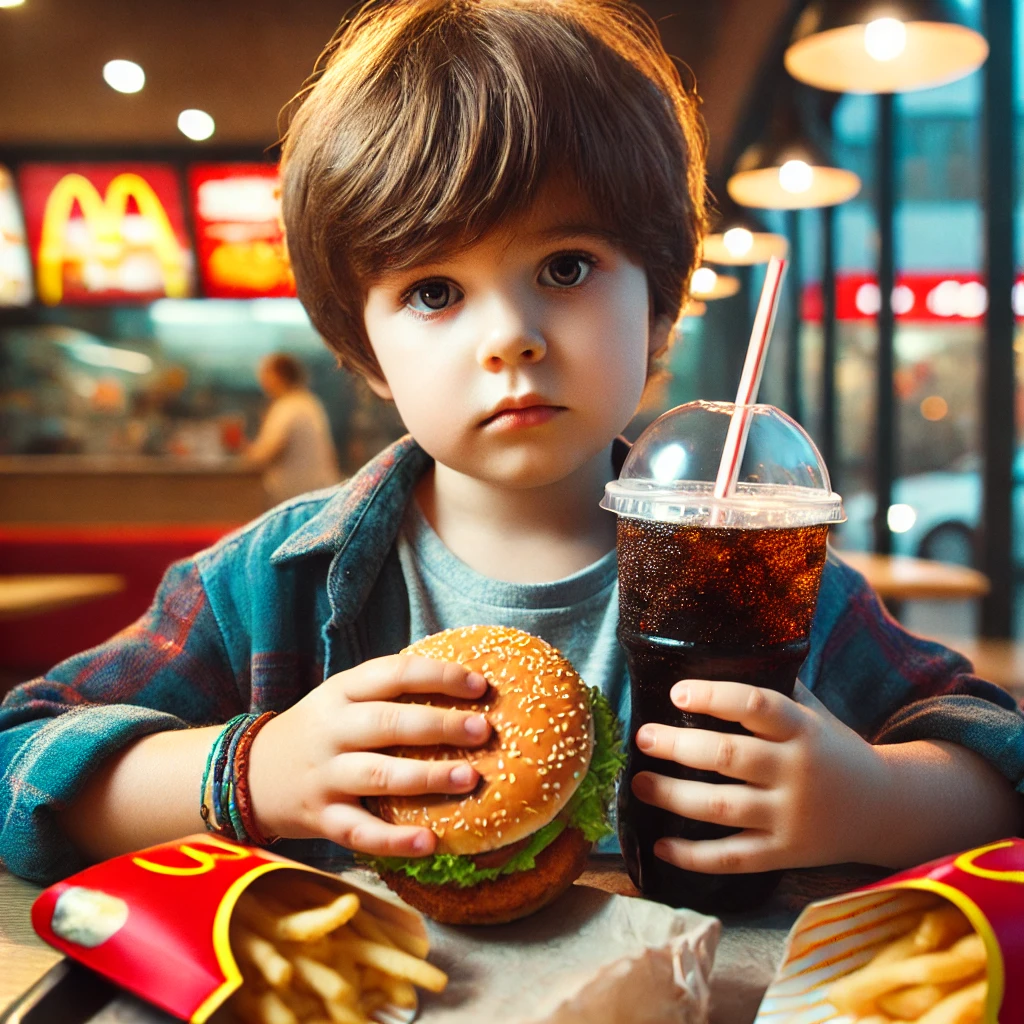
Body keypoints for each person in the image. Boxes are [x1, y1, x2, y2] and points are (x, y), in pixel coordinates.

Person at [1, 0, 1021, 887]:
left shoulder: (751, 576)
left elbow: (997, 751)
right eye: (434, 291)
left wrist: (878, 799)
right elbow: (20, 760)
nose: (512, 337)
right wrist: (256, 773)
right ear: (363, 350)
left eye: (567, 267)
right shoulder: (267, 586)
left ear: (660, 310)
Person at [245, 352, 341, 503]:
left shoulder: (286, 408)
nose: (262, 380)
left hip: (295, 495)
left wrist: (242, 448)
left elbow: (266, 454)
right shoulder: (310, 402)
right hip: (318, 489)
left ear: (278, 376)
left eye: (266, 373)